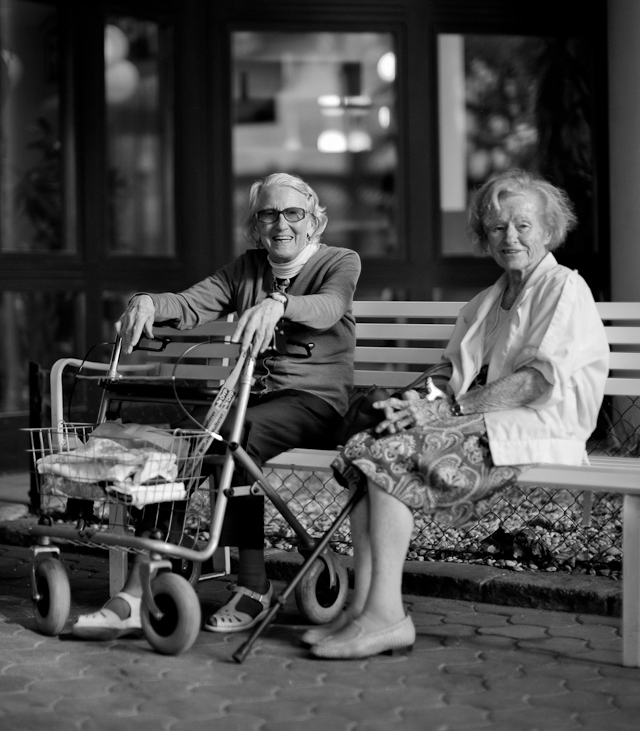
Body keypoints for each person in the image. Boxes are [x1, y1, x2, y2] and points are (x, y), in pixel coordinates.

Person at [302, 168, 610, 660]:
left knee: (389, 458)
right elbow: (450, 372)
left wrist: (447, 409)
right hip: (476, 420)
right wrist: (415, 403)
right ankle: (362, 607)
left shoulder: (563, 289)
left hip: (532, 425)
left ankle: (388, 617)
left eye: (523, 225)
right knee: (364, 447)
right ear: (484, 235)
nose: (509, 236)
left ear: (549, 231)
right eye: (496, 226)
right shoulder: (488, 300)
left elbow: (535, 380)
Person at [72, 172, 361, 639]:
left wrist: (279, 305)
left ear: (313, 222)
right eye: (267, 214)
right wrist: (147, 301)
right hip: (248, 401)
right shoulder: (246, 268)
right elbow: (189, 304)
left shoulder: (339, 261)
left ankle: (252, 585)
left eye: (293, 213)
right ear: (256, 224)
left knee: (232, 437)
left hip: (315, 402)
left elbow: (330, 307)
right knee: (183, 443)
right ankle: (138, 587)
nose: (281, 224)